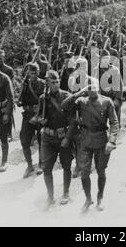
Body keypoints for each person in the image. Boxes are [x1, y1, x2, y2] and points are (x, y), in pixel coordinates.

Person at [62, 77, 119, 212]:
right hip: (85, 141)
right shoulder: (81, 101)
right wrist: (78, 93)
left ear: (98, 87)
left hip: (101, 140)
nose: (92, 90)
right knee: (84, 173)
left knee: (101, 171)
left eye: (94, 87)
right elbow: (64, 105)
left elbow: (114, 122)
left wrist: (112, 140)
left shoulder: (106, 101)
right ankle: (88, 199)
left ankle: (100, 198)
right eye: (89, 87)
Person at [37, 70, 75, 209]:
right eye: (52, 82)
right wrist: (41, 120)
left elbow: (73, 121)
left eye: (57, 81)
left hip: (63, 137)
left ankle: (66, 193)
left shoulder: (67, 97)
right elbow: (39, 116)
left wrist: (68, 138)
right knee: (46, 168)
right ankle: (50, 196)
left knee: (66, 166)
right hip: (47, 138)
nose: (56, 84)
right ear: (47, 83)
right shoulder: (43, 98)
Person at [17, 62, 45, 178]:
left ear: (38, 73)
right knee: (24, 140)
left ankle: (41, 164)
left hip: (39, 115)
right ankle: (29, 165)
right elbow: (21, 99)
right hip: (28, 115)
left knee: (41, 140)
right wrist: (19, 101)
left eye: (35, 73)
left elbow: (46, 101)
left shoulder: (43, 84)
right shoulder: (25, 84)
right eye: (30, 73)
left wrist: (39, 113)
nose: (32, 75)